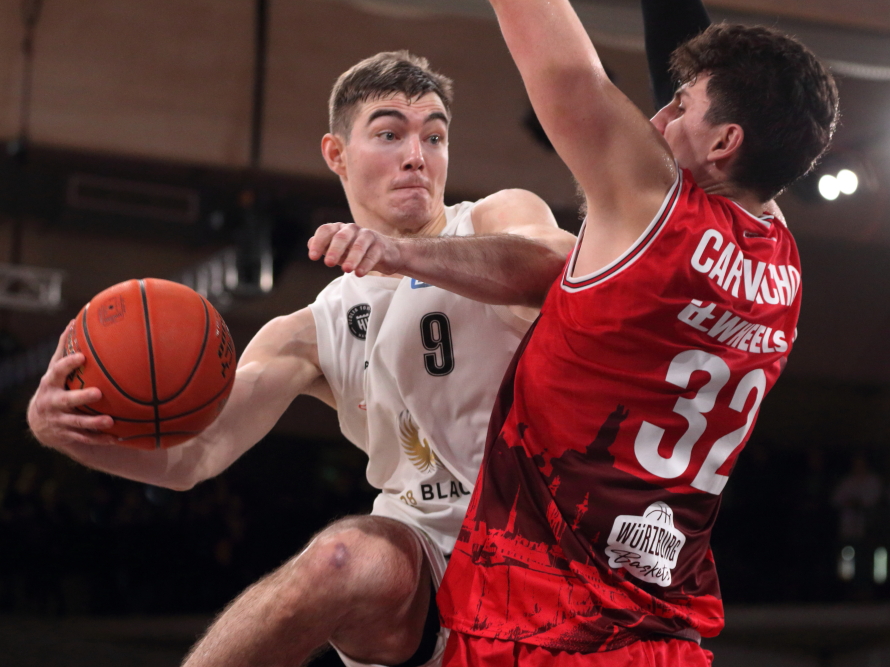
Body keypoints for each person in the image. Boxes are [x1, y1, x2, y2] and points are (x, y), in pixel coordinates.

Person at [27, 51, 574, 667]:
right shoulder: (310, 330)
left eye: (436, 136)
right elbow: (192, 456)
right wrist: (65, 433)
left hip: (552, 544)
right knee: (339, 558)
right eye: (390, 134)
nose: (417, 156)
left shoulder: (499, 216)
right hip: (425, 561)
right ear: (336, 154)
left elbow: (561, 272)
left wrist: (402, 255)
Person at [430, 1, 839, 665]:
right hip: (660, 635)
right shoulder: (784, 263)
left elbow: (563, 63)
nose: (656, 118)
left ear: (726, 142)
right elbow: (709, 88)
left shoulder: (647, 203)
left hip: (538, 625)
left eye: (679, 107)